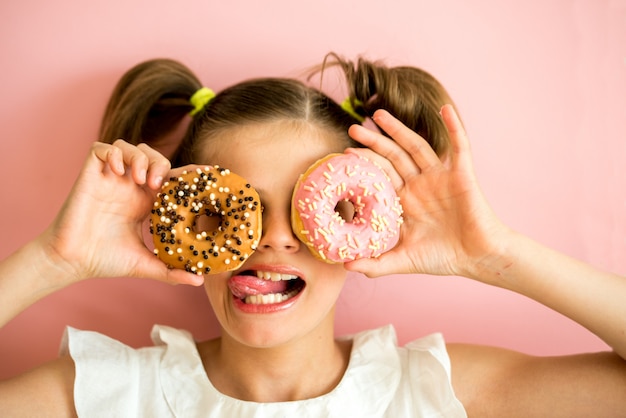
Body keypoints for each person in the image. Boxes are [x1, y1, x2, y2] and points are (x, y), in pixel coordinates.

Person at [0, 54, 625, 417]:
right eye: (236, 210)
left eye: (304, 208)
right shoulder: (104, 396)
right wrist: (53, 261)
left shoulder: (436, 392)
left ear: (364, 226)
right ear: (179, 225)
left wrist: (497, 256)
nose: (272, 239)